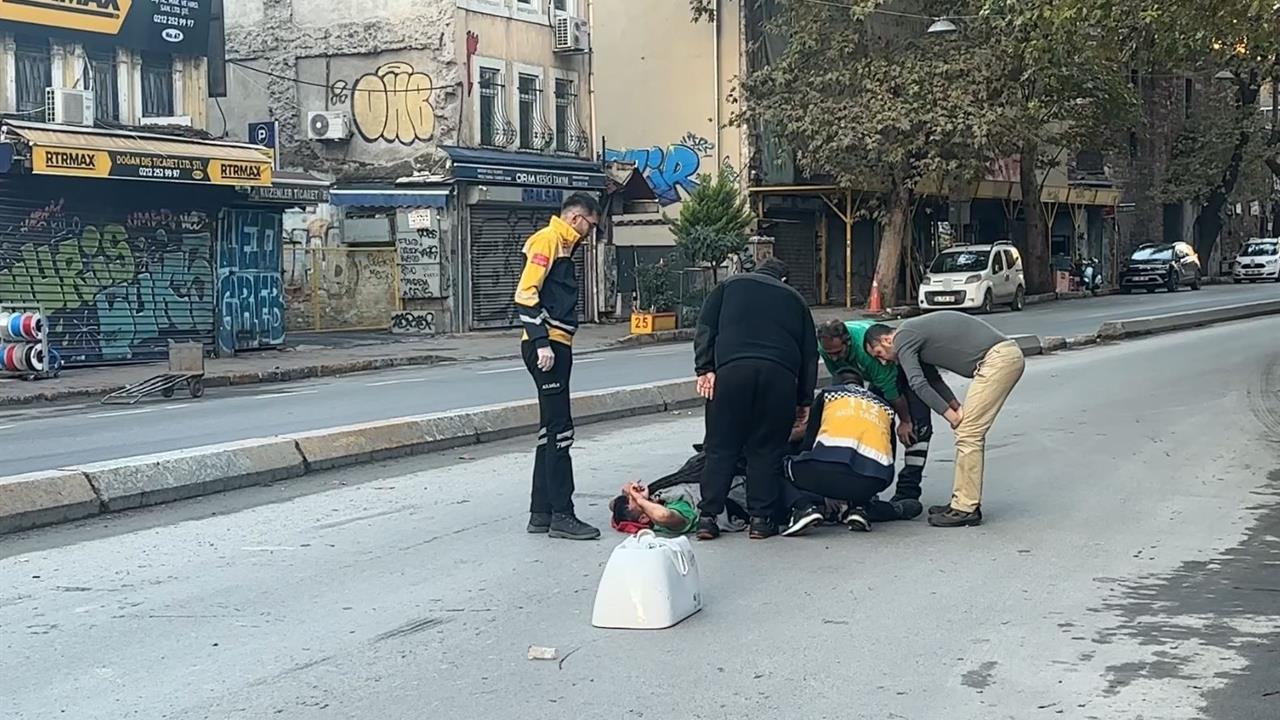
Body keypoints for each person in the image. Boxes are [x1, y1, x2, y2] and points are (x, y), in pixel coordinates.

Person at [863, 311, 1026, 528]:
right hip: (1001, 358)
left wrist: (949, 416)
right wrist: (955, 407)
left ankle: (965, 508)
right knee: (967, 431)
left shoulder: (903, 337)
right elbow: (933, 379)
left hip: (998, 360)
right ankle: (961, 502)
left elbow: (917, 383)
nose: (882, 362)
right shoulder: (912, 335)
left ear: (886, 339)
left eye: (879, 353)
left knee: (968, 433)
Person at [694, 257, 818, 540]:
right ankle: (761, 521)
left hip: (731, 374)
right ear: (783, 279)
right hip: (779, 378)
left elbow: (705, 329)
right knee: (766, 450)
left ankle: (708, 518)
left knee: (720, 447)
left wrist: (705, 369)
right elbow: (810, 355)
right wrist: (804, 400)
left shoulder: (727, 286)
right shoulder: (796, 300)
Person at [514, 192, 602, 540]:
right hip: (547, 346)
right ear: (576, 219)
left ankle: (541, 512)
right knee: (561, 431)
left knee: (549, 431)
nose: (590, 234)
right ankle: (562, 515)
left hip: (556, 343)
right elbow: (525, 292)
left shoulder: (564, 246)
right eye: (590, 226)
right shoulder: (548, 240)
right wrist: (541, 342)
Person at [817, 319, 930, 519]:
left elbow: (892, 391)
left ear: (848, 342)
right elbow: (840, 381)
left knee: (918, 430)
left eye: (838, 353)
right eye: (829, 354)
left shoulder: (866, 352)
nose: (833, 358)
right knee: (875, 425)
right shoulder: (825, 346)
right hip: (874, 375)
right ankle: (868, 485)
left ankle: (908, 491)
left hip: (902, 370)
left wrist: (905, 421)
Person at [778, 372, 899, 536]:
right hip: (876, 481)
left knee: (771, 465)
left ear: (834, 384)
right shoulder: (884, 405)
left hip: (828, 471)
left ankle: (803, 508)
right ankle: (859, 508)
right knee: (862, 463)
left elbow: (809, 444)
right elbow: (889, 453)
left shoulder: (829, 395)